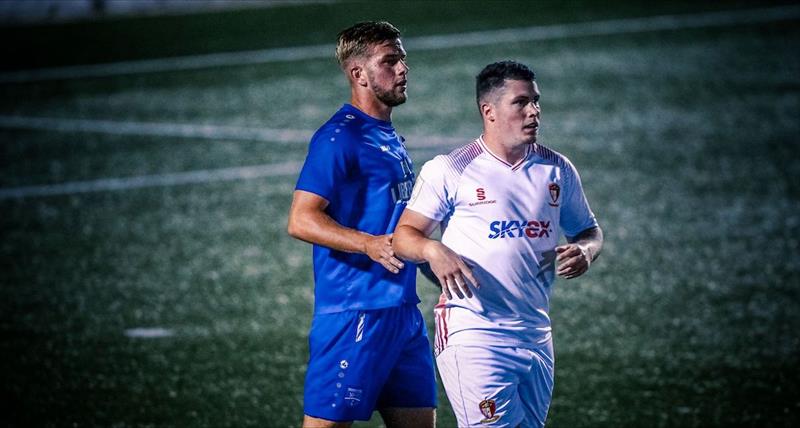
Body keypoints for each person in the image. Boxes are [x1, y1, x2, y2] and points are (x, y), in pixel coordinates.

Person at [393, 60, 603, 427]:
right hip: (474, 332)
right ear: (488, 111)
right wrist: (432, 249)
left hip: (536, 334)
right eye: (521, 103)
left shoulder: (557, 170)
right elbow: (403, 237)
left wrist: (586, 250)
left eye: (536, 101)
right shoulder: (451, 169)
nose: (534, 111)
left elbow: (589, 230)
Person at [287, 21, 436, 428]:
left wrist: (433, 263)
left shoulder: (388, 137)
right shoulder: (339, 138)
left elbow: (399, 222)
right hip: (355, 314)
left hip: (403, 313)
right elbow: (301, 219)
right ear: (359, 74)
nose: (403, 68)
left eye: (403, 58)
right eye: (390, 60)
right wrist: (368, 244)